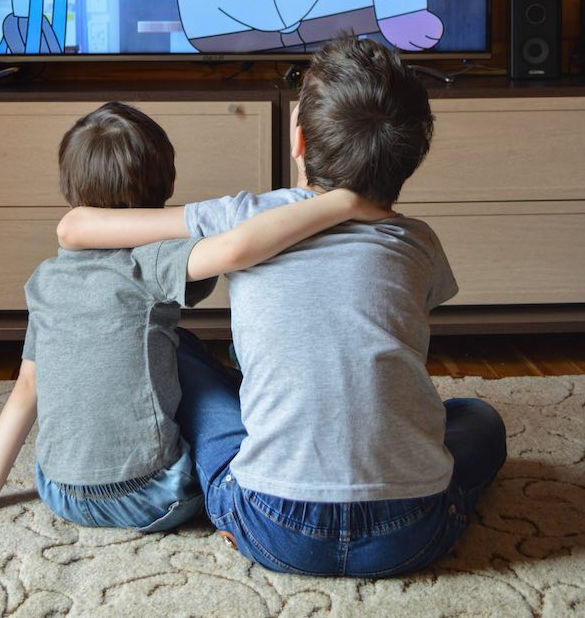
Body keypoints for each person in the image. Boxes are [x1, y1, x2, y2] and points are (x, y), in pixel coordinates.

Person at [56, 38, 507, 576]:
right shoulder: (418, 242)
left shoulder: (243, 215)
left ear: (298, 140)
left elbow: (76, 227)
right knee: (478, 418)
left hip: (271, 524)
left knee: (183, 355)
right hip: (408, 532)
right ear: (410, 158)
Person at [0, 100, 385, 535]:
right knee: (191, 360)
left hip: (59, 490)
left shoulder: (45, 279)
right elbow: (237, 249)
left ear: (69, 188)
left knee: (171, 345)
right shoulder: (156, 259)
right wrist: (339, 203)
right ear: (167, 185)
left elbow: (27, 387)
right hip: (152, 495)